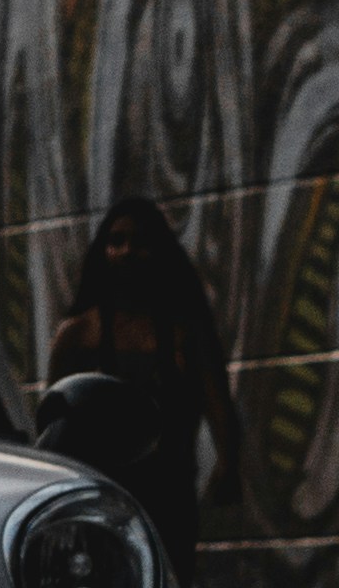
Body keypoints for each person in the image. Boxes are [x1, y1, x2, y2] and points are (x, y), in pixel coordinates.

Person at [47, 194, 239, 553]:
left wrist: (228, 465)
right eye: (116, 241)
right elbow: (53, 420)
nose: (127, 251)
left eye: (141, 242)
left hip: (167, 492)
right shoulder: (77, 335)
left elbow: (217, 404)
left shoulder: (185, 334)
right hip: (96, 493)